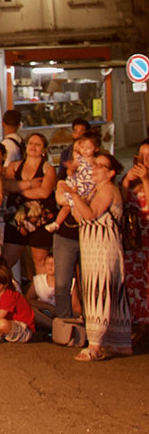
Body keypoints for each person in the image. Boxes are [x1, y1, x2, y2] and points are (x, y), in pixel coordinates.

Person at [62, 152, 132, 361]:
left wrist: (74, 196)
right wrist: (73, 196)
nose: (94, 168)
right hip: (92, 248)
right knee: (107, 291)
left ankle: (94, 345)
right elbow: (79, 215)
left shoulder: (109, 190)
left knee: (99, 291)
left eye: (100, 165)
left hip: (104, 249)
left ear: (110, 173)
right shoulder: (94, 190)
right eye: (94, 164)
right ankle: (118, 343)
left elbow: (92, 213)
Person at [2, 133, 57, 278]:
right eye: (31, 143)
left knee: (39, 260)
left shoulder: (48, 169)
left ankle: (44, 296)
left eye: (38, 144)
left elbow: (45, 192)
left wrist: (19, 190)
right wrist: (30, 185)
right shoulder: (14, 166)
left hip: (40, 220)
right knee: (6, 260)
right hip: (16, 220)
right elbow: (6, 186)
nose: (33, 147)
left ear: (44, 149)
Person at [121, 138, 149, 332]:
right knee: (134, 280)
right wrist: (126, 182)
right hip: (133, 236)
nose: (145, 160)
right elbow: (119, 203)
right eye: (142, 156)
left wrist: (146, 180)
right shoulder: (131, 178)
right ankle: (139, 322)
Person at [46, 133, 97, 233]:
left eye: (88, 148)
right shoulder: (79, 160)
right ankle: (57, 223)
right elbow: (69, 173)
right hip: (77, 185)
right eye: (82, 148)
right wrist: (71, 168)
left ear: (96, 148)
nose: (85, 150)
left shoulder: (97, 161)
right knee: (67, 206)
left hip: (88, 188)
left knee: (77, 206)